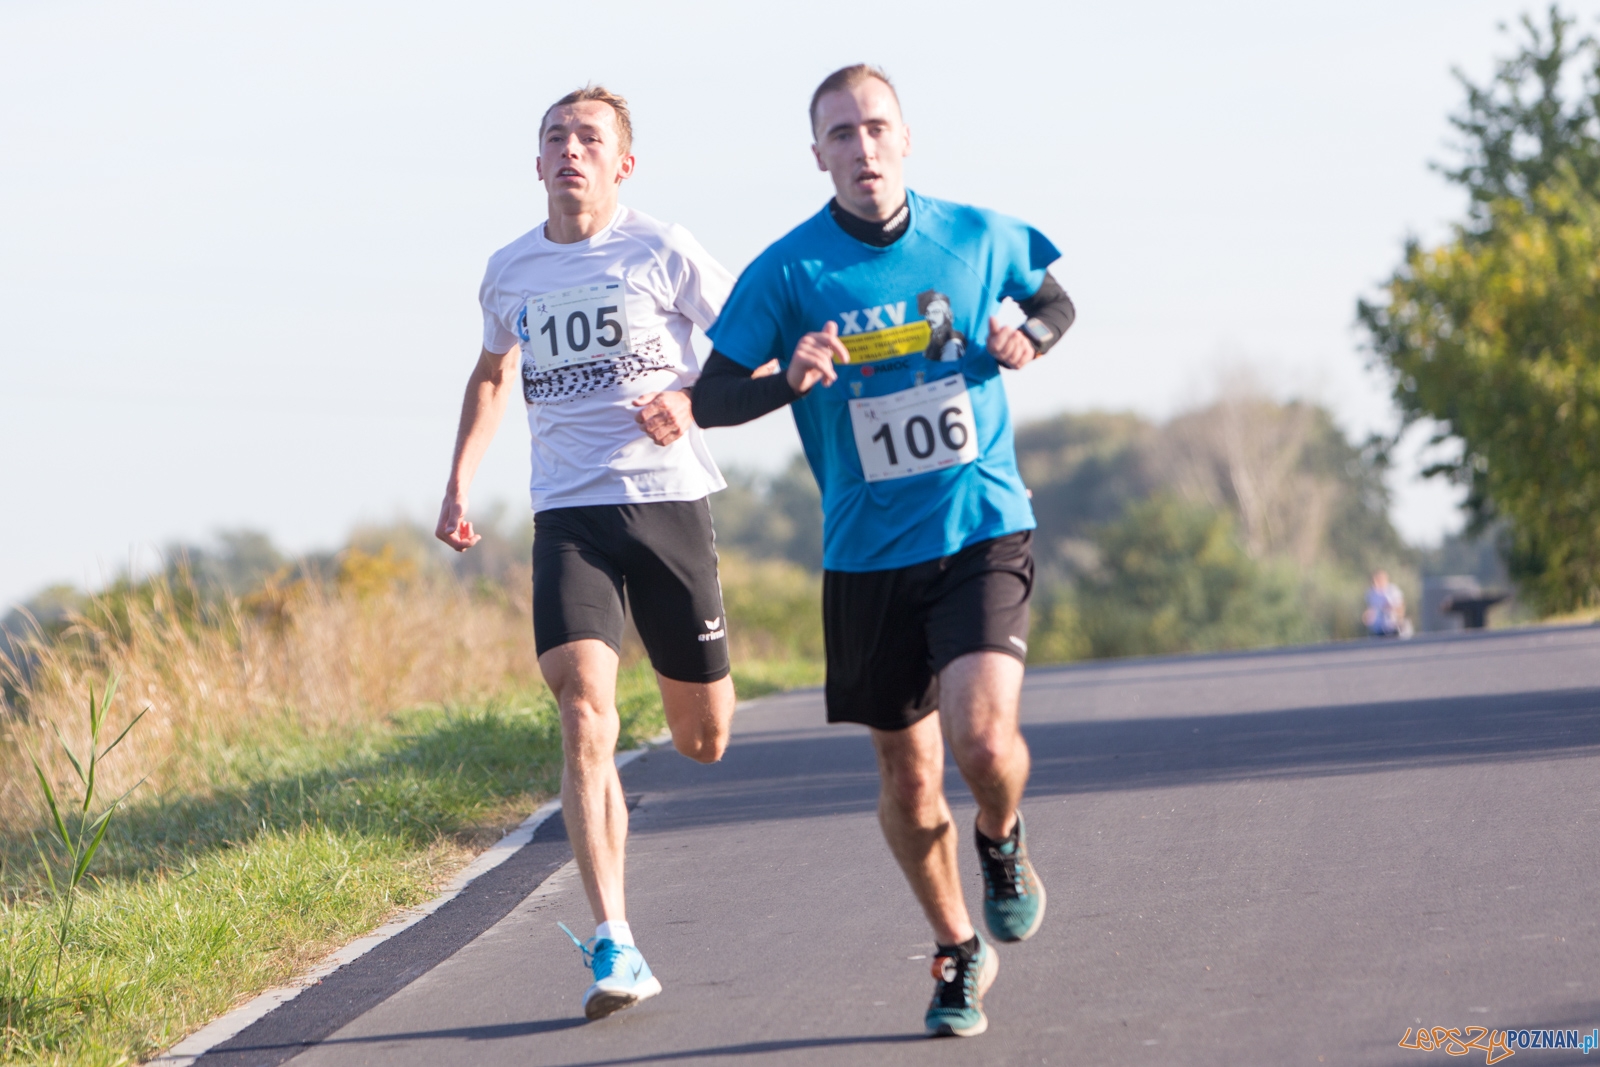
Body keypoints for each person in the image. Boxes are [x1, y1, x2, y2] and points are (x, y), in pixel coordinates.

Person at [692, 64, 1076, 1038]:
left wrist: (1027, 337)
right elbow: (711, 397)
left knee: (982, 742)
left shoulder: (977, 234)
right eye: (840, 134)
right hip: (866, 554)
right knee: (908, 779)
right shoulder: (789, 272)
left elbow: (1055, 302)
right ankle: (957, 946)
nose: (861, 148)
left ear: (905, 137)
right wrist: (787, 377)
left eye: (875, 128)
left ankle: (1001, 835)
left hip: (980, 521)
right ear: (817, 154)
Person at [435, 84, 737, 1022]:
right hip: (569, 511)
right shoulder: (509, 270)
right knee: (579, 706)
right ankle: (617, 939)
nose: (571, 148)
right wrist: (458, 482)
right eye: (556, 137)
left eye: (590, 138)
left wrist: (688, 399)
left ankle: (675, 705)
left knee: (703, 738)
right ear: (536, 164)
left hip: (667, 501)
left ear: (623, 164)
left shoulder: (663, 248)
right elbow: (493, 373)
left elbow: (748, 345)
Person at [1364, 570, 1409, 638]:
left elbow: (1401, 607)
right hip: (1378, 628)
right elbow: (1371, 611)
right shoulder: (1371, 593)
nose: (1375, 583)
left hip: (1393, 626)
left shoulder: (1392, 591)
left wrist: (1392, 610)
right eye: (1373, 581)